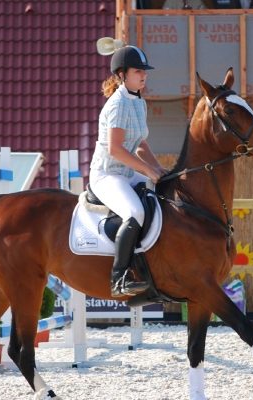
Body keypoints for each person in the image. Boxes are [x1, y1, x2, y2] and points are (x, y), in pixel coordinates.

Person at [90, 45, 166, 298]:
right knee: (135, 212)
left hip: (125, 173)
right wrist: (147, 170)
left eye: (145, 71)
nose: (144, 75)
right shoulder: (118, 104)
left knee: (163, 189)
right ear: (122, 74)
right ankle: (119, 278)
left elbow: (140, 143)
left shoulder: (138, 102)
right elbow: (115, 149)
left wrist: (158, 169)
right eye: (138, 71)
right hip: (107, 175)